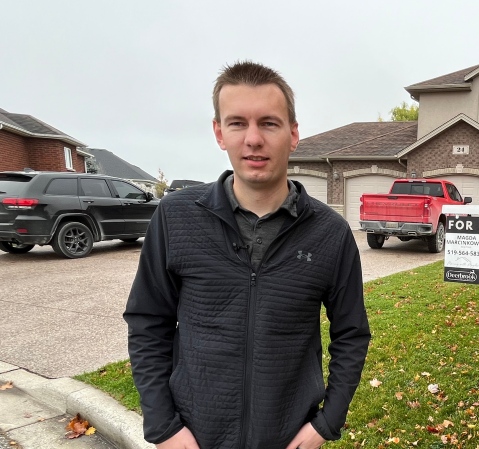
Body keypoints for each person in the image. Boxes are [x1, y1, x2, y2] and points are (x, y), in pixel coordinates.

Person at [124, 61, 371, 449]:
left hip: (288, 437)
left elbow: (352, 334)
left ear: (293, 135)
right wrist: (163, 427)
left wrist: (326, 424)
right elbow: (147, 323)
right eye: (238, 123)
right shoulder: (176, 217)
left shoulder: (330, 233)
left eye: (269, 123)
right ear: (219, 133)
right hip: (194, 437)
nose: (253, 139)